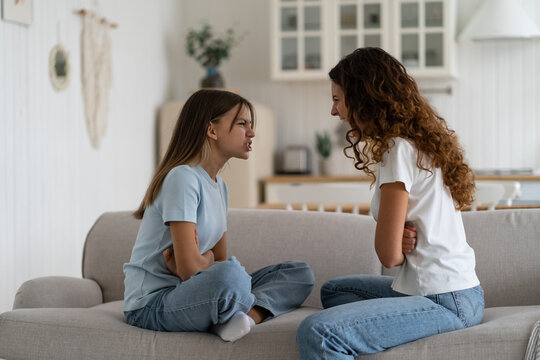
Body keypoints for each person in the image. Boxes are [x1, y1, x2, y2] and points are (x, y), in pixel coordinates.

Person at [296, 47, 484, 359]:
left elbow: (388, 256)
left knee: (317, 330)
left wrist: (396, 238)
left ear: (361, 99)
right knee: (336, 291)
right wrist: (399, 236)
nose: (334, 111)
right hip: (463, 292)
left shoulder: (397, 149)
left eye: (337, 99)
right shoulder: (419, 143)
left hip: (444, 299)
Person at [124, 89, 314, 342]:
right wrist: (207, 261)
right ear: (212, 130)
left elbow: (216, 263)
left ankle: (244, 318)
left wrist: (207, 262)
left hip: (194, 294)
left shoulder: (219, 187)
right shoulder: (182, 178)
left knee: (299, 274)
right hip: (152, 305)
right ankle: (230, 314)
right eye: (242, 124)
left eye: (250, 125)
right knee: (232, 276)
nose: (252, 132)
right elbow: (191, 271)